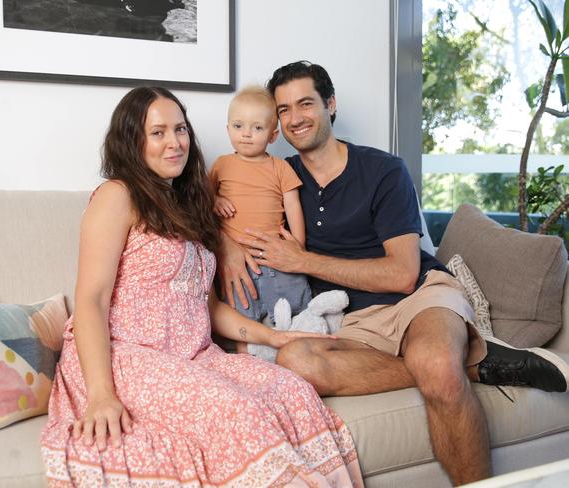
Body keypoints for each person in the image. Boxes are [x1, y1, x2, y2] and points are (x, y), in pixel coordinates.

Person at [217, 61, 569, 486]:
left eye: (306, 103)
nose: (295, 117)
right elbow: (225, 212)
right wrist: (227, 247)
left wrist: (304, 261)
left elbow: (403, 274)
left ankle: (449, 365)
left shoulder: (383, 170)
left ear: (331, 105)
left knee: (437, 366)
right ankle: (475, 364)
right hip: (350, 321)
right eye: (284, 108)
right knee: (295, 360)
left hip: (418, 298)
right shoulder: (279, 175)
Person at [40, 86, 364, 487]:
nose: (175, 142)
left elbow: (207, 309)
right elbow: (91, 301)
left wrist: (275, 338)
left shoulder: (188, 207)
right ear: (131, 139)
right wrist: (101, 393)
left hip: (192, 355)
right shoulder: (117, 195)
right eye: (158, 132)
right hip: (126, 355)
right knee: (236, 410)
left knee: (291, 390)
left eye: (180, 129)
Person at [210, 86, 311, 349]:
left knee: (294, 309)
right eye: (238, 125)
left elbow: (293, 206)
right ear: (228, 128)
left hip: (274, 255)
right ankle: (246, 359)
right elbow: (200, 201)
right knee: (241, 312)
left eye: (257, 128)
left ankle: (297, 344)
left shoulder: (280, 167)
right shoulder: (221, 165)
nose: (246, 134)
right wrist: (215, 199)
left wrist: (297, 244)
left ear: (273, 135)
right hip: (236, 260)